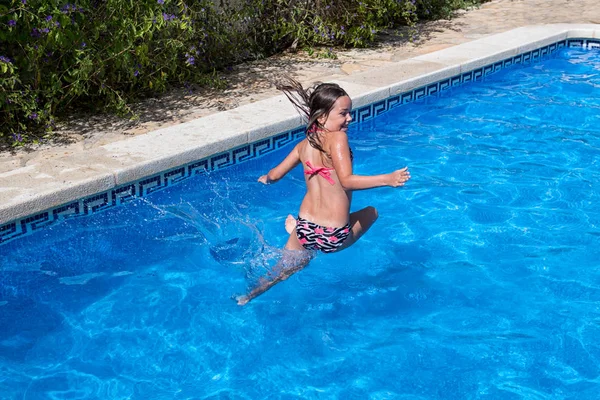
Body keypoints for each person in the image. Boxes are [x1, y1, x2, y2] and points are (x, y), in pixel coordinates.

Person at [236, 79, 410, 305]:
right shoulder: (338, 138)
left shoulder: (303, 145)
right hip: (333, 235)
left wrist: (265, 179)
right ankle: (311, 240)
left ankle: (247, 296)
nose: (350, 118)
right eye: (344, 114)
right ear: (321, 117)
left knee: (282, 270)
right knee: (372, 212)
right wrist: (387, 179)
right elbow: (346, 181)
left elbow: (275, 175)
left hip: (305, 228)